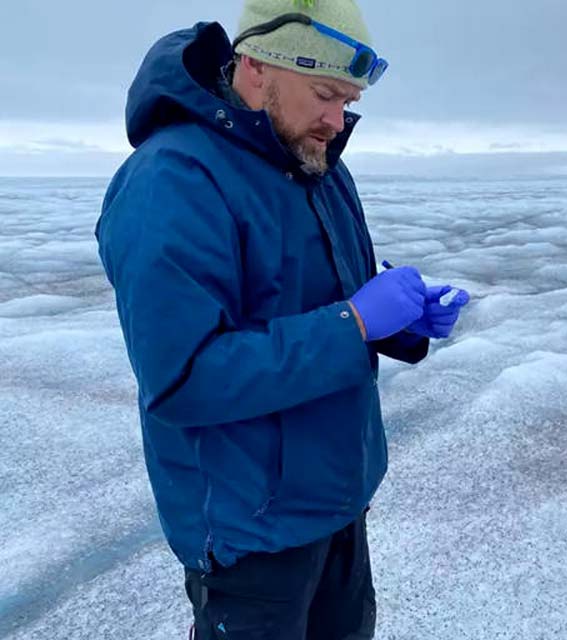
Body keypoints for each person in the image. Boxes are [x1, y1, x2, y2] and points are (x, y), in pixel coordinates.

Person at [94, 1, 470, 637]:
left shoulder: (318, 163)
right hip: (251, 536)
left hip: (338, 502)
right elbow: (184, 379)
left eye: (348, 100)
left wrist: (400, 320)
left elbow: (326, 296)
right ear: (257, 66)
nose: (337, 119)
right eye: (325, 94)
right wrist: (354, 324)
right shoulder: (172, 180)